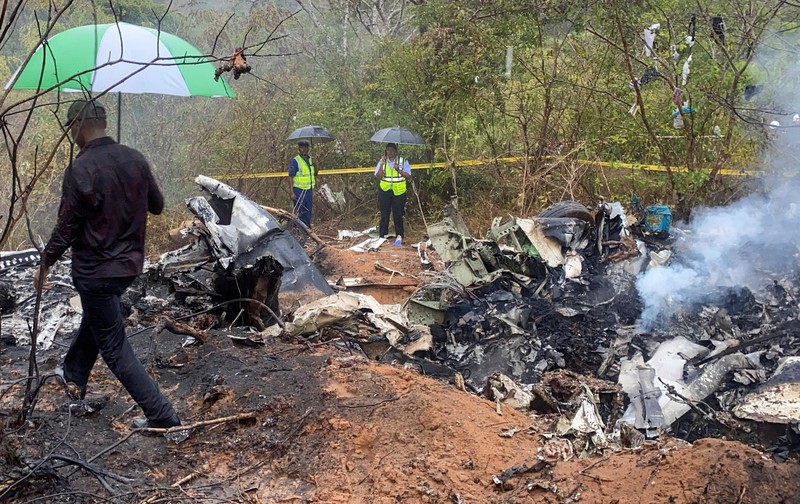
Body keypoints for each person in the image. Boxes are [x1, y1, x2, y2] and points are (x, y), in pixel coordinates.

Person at [33, 99, 180, 430]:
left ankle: (162, 415)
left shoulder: (81, 169)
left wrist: (44, 263)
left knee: (113, 346)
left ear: (78, 125)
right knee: (100, 319)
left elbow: (67, 228)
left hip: (95, 272)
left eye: (70, 128)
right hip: (128, 268)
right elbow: (157, 205)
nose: (71, 134)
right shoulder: (136, 159)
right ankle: (73, 371)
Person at [374, 143, 411, 246]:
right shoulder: (382, 161)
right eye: (388, 150)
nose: (390, 152)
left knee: (398, 214)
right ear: (386, 151)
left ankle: (399, 235)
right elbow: (378, 176)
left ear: (396, 151)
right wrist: (381, 164)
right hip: (385, 191)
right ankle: (382, 236)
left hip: (399, 192)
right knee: (384, 214)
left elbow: (408, 176)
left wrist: (398, 169)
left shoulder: (403, 161)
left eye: (392, 150)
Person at [288, 141, 317, 228]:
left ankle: (306, 228)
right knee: (300, 211)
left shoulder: (311, 159)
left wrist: (316, 164)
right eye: (302, 147)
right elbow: (290, 177)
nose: (304, 149)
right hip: (299, 189)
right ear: (298, 149)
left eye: (306, 147)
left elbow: (315, 173)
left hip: (309, 189)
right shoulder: (295, 161)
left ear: (308, 148)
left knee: (308, 211)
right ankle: (299, 229)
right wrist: (291, 192)